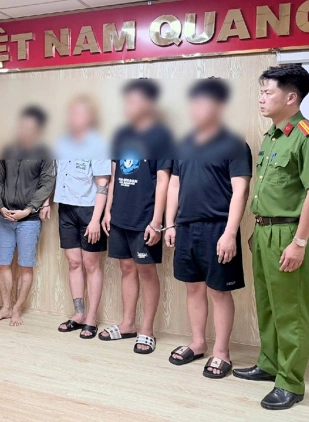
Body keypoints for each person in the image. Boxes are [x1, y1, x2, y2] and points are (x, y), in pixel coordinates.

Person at [233, 65, 309, 410]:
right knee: (268, 305)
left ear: (291, 97)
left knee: (291, 311)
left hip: (290, 232)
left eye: (267, 92)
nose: (261, 98)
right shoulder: (273, 136)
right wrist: (256, 230)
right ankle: (270, 363)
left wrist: (299, 243)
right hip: (264, 232)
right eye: (261, 92)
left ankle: (290, 383)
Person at [164, 78, 252, 379]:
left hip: (218, 229)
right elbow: (174, 185)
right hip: (186, 227)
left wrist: (230, 233)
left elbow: (240, 191)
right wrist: (170, 223)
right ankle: (198, 343)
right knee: (193, 287)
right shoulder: (184, 143)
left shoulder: (234, 144)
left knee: (219, 291)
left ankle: (221, 352)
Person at [99, 79, 172, 354]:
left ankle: (147, 330)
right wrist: (108, 210)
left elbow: (163, 181)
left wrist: (157, 221)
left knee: (146, 272)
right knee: (126, 268)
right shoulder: (121, 134)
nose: (128, 105)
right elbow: (115, 174)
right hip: (120, 215)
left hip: (145, 218)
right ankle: (128, 323)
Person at [0, 106, 56, 326]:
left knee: (25, 266)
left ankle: (17, 310)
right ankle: (6, 307)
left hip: (29, 220)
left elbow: (47, 184)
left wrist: (28, 210)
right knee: (2, 263)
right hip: (5, 218)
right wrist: (1, 206)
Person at [55, 96, 111, 340]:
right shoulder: (61, 143)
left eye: (80, 113)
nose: (74, 118)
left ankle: (92, 318)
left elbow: (103, 184)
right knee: (74, 262)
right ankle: (79, 313)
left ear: (89, 117)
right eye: (72, 113)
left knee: (91, 264)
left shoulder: (98, 145)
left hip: (89, 210)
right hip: (65, 208)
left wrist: (96, 219)